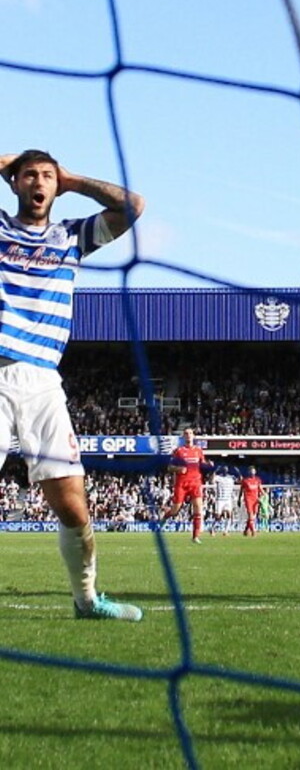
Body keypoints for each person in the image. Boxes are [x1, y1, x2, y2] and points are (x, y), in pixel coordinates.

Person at [0, 148, 144, 621]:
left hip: (42, 384)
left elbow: (132, 206)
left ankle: (86, 600)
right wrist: (9, 163)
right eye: (28, 176)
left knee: (73, 507)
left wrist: (71, 178)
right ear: (14, 182)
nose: (37, 183)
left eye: (45, 177)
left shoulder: (71, 238)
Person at [160, 427, 211, 543]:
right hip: (181, 483)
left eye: (190, 433)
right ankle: (165, 517)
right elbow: (169, 467)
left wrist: (208, 465)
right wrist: (178, 469)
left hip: (195, 483)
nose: (188, 435)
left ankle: (195, 536)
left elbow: (202, 464)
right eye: (186, 433)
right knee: (175, 510)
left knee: (198, 507)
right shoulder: (179, 451)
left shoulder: (198, 451)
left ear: (193, 436)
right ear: (183, 436)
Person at [209, 464, 236, 537]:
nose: (225, 471)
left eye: (226, 469)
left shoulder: (231, 478)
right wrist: (214, 471)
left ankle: (226, 531)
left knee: (229, 515)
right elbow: (211, 481)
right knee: (218, 516)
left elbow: (240, 480)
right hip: (220, 499)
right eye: (224, 469)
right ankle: (212, 528)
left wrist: (238, 472)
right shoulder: (218, 477)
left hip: (228, 499)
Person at [238, 465, 263, 537]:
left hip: (255, 500)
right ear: (248, 472)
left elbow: (260, 489)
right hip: (248, 499)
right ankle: (253, 532)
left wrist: (264, 495)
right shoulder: (245, 481)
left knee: (253, 517)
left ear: (255, 472)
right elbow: (241, 491)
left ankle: (246, 530)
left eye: (253, 471)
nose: (252, 472)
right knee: (251, 516)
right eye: (251, 471)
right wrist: (239, 499)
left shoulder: (257, 480)